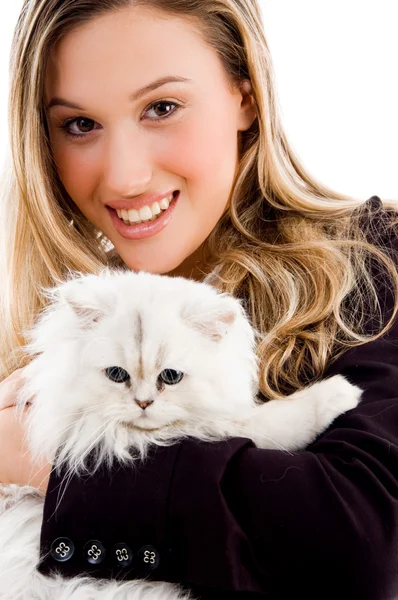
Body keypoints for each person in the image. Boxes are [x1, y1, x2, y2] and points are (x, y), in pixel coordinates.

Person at [0, 1, 397, 598]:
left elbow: (368, 546)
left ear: (245, 95)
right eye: (79, 124)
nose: (125, 177)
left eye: (162, 107)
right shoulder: (62, 319)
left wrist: (55, 466)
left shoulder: (373, 261)